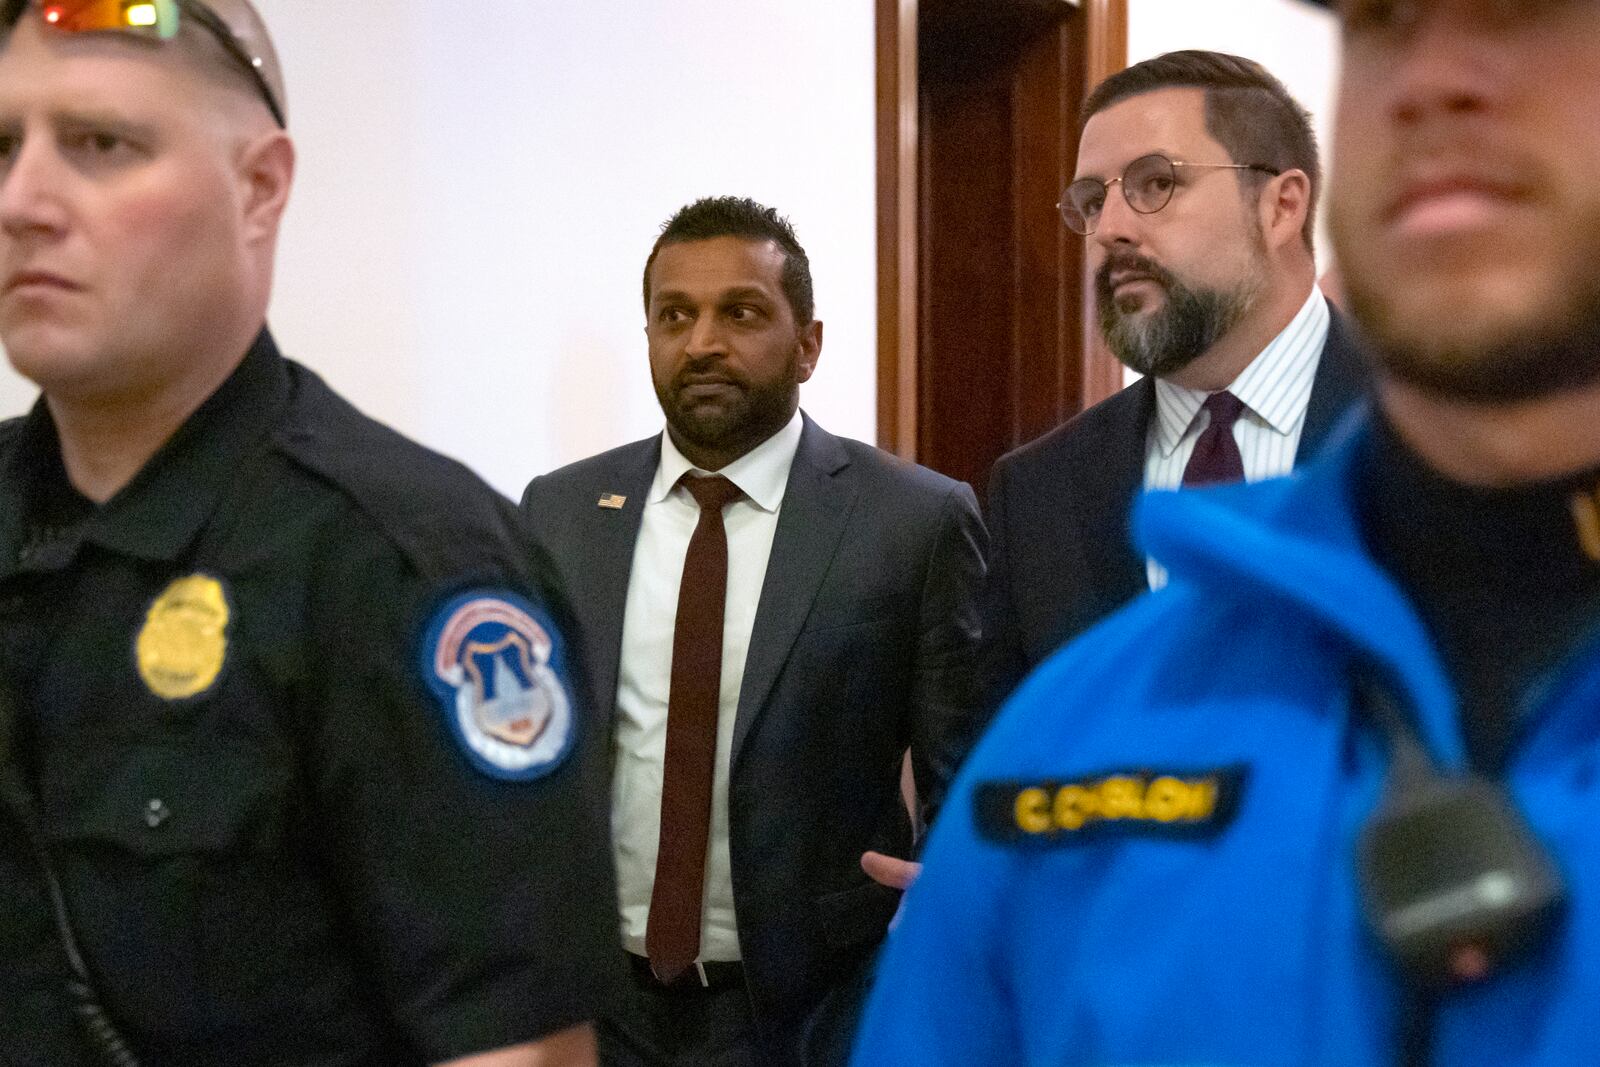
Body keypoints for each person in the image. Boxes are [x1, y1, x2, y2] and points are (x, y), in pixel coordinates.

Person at [851, 0, 1600, 1063]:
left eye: (1519, 12)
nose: (1429, 77)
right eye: (1380, 24)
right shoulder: (1066, 725)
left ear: (1285, 201)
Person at [0, 2, 619, 1064]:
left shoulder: (409, 565)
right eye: (3, 147)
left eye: (102, 146)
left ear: (260, 187)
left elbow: (516, 1050)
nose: (23, 201)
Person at [520, 196, 985, 1067]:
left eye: (740, 312)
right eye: (674, 316)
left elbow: (966, 771)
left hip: (812, 1013)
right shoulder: (564, 511)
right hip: (601, 1008)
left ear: (807, 344)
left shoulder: (912, 521)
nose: (702, 342)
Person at [980, 50, 1366, 715]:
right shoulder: (1035, 496)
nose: (1109, 230)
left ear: (1281, 207)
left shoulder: (1453, 439)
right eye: (1092, 201)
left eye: (1155, 184)